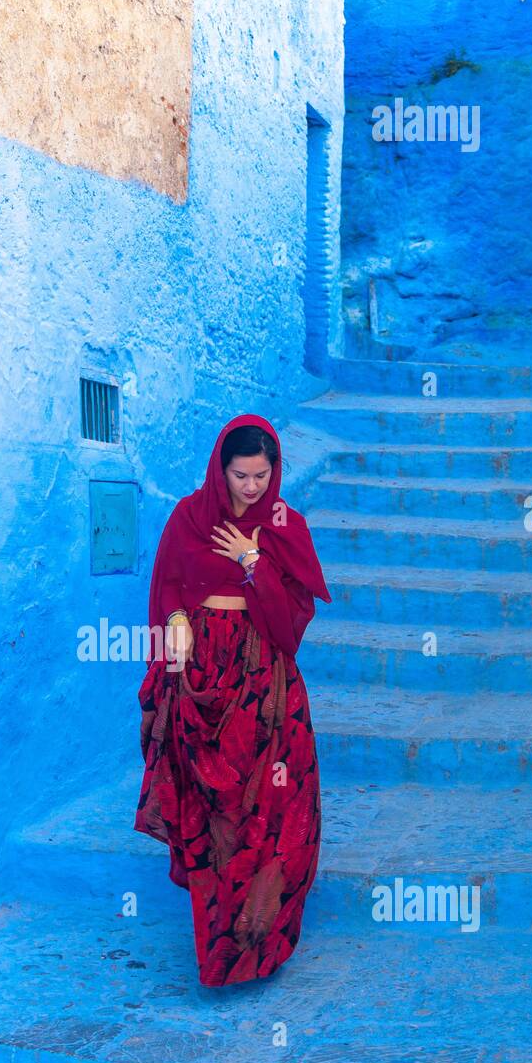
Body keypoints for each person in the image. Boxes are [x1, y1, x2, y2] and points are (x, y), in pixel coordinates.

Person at [134, 413, 332, 987]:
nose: (252, 487)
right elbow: (167, 584)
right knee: (213, 812)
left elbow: (289, 625)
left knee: (269, 809)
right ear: (220, 470)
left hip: (264, 683)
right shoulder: (188, 518)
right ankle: (221, 948)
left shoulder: (284, 525)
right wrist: (173, 620)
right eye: (241, 475)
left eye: (262, 475)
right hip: (200, 678)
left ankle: (262, 940)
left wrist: (253, 562)